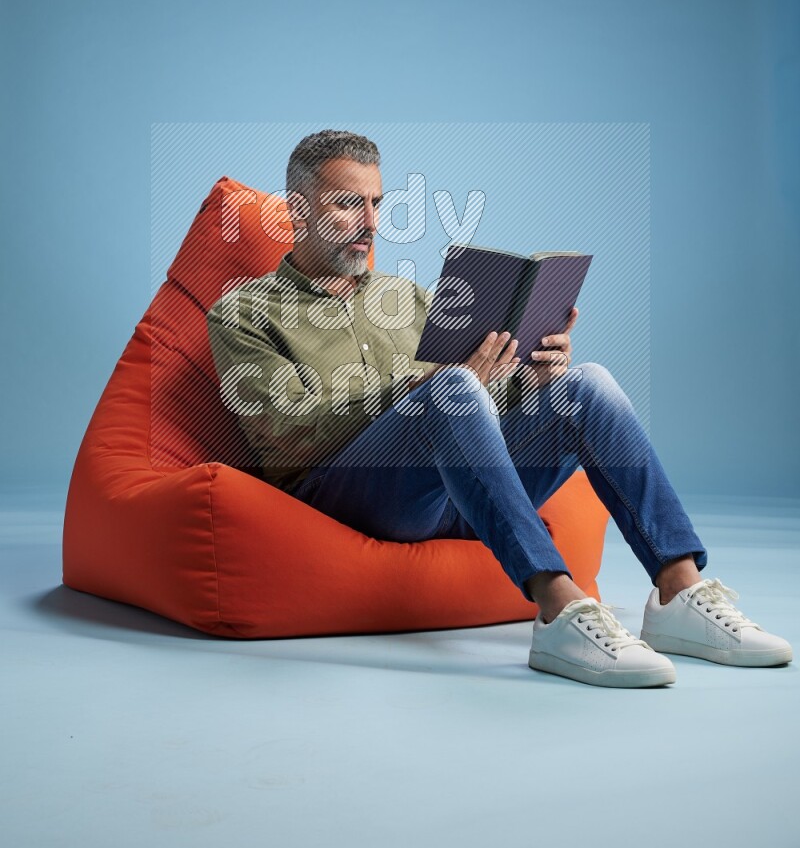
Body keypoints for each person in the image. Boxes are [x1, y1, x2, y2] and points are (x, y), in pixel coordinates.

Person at [206, 129, 793, 688]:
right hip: (345, 499)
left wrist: (526, 378)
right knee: (449, 389)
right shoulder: (244, 311)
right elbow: (282, 431)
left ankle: (677, 591)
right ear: (298, 210)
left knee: (586, 384)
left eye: (377, 204)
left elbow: (464, 410)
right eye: (347, 206)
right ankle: (558, 609)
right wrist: (431, 385)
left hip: (454, 495)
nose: (371, 224)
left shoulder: (405, 298)